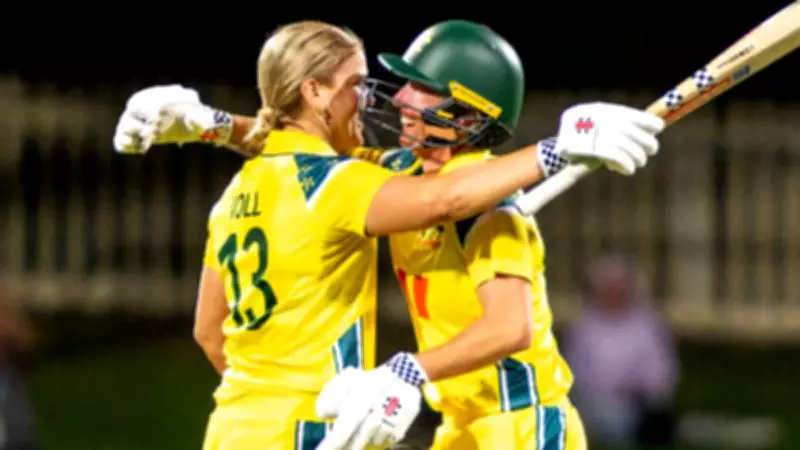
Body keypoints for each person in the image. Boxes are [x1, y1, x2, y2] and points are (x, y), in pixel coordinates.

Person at [113, 20, 663, 450]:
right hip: (456, 424)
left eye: (422, 88)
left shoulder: (492, 205)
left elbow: (510, 325)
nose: (400, 98)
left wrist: (405, 372)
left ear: (466, 112)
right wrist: (211, 125)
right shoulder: (396, 173)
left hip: (520, 425)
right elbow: (302, 150)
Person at [564, 254, 679, 448]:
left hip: (641, 400)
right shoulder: (584, 328)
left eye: (619, 287)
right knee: (610, 416)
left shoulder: (648, 325)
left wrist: (642, 386)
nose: (614, 294)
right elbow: (575, 373)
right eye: (609, 288)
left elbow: (663, 369)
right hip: (598, 402)